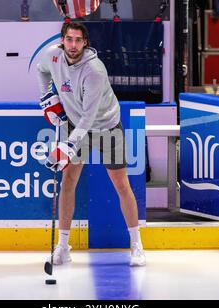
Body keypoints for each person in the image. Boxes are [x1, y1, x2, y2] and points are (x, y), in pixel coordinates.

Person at [36, 22, 146, 267]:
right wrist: (47, 99)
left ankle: (137, 245)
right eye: (69, 39)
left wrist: (67, 146)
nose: (72, 45)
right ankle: (63, 247)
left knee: (121, 184)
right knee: (68, 183)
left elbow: (89, 116)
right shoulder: (51, 56)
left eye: (78, 40)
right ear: (62, 40)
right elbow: (40, 70)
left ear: (85, 42)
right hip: (75, 125)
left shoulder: (94, 70)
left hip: (105, 126)